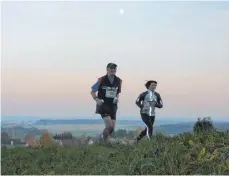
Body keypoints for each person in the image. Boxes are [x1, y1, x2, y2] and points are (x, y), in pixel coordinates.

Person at [90, 63, 122, 143]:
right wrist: (97, 99)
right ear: (107, 70)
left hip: (113, 106)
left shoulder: (119, 80)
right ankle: (104, 143)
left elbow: (117, 92)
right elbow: (92, 92)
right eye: (111, 69)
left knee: (112, 128)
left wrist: (117, 98)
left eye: (114, 69)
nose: (113, 70)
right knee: (109, 125)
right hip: (103, 105)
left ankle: (101, 137)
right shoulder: (101, 80)